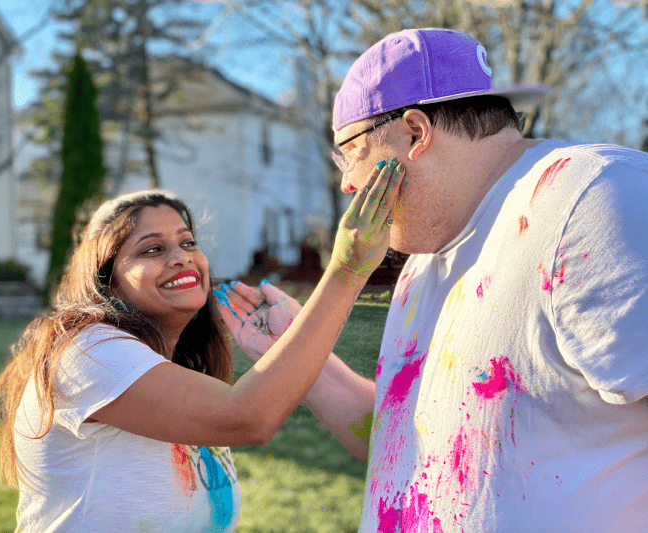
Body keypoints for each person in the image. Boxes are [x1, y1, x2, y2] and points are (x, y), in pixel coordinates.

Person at [215, 28, 648, 532]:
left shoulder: (595, 200)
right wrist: (301, 353)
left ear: (415, 133)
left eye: (348, 153)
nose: (347, 183)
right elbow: (409, 443)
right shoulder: (426, 257)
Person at [0, 174, 403, 533]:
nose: (181, 256)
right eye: (152, 249)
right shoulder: (88, 353)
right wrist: (347, 271)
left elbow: (381, 438)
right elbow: (248, 418)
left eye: (188, 242)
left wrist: (286, 342)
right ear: (107, 280)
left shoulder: (174, 367)